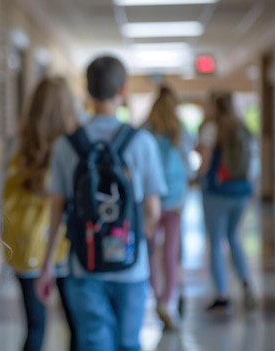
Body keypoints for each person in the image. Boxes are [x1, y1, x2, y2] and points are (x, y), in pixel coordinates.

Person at [35, 55, 167, 351]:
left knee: (94, 342)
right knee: (128, 342)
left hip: (84, 264)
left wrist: (46, 266)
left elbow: (56, 210)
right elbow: (153, 211)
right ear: (123, 90)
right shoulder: (142, 142)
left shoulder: (66, 146)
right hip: (132, 267)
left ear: (87, 90)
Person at [2, 76, 80, 351]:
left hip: (29, 245)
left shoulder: (18, 145)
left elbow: (4, 191)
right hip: (67, 244)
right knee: (76, 325)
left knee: (35, 328)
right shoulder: (73, 145)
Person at [196, 90, 256, 313]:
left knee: (216, 242)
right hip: (240, 192)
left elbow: (206, 162)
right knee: (234, 238)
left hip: (217, 192)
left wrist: (197, 178)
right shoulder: (242, 127)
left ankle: (222, 294)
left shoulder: (212, 128)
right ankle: (246, 282)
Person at [142, 85, 194, 330]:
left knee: (151, 251)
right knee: (171, 254)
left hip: (150, 197)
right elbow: (188, 164)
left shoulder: (145, 130)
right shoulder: (179, 130)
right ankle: (167, 301)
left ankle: (155, 292)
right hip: (174, 199)